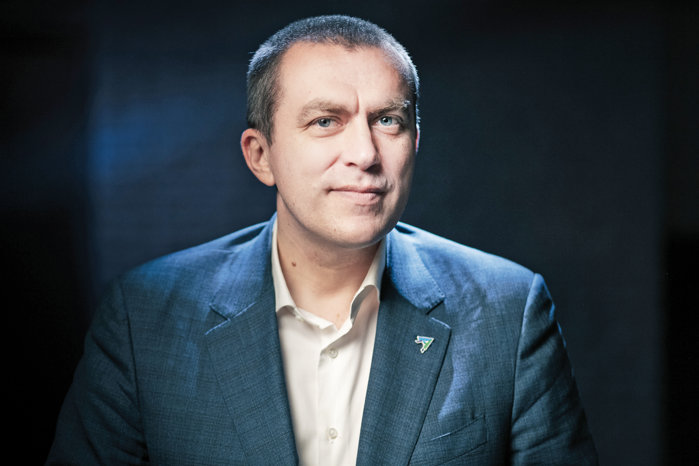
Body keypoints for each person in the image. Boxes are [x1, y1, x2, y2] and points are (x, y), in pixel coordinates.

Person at [47, 15, 597, 465]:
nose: (365, 153)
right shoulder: (143, 317)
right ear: (261, 156)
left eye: (388, 120)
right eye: (326, 122)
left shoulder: (509, 310)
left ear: (414, 142)